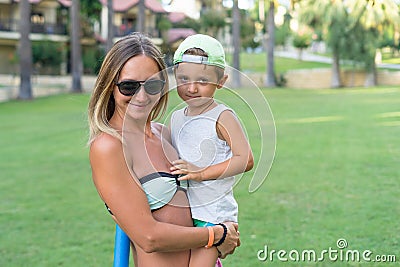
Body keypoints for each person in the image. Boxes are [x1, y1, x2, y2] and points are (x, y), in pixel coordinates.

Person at [87, 32, 239, 267]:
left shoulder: (165, 133)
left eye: (153, 85)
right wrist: (217, 235)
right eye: (128, 86)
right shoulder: (109, 146)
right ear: (110, 86)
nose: (142, 95)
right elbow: (149, 237)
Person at [169, 34, 254, 267]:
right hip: (184, 214)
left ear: (221, 81)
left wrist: (201, 173)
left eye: (203, 81)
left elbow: (245, 159)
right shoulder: (176, 118)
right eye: (184, 78)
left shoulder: (222, 116)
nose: (192, 88)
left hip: (213, 217)